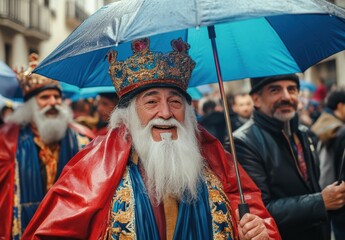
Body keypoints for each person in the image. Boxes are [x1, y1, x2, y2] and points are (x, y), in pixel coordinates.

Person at [22, 38, 280, 239]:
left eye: (175, 101)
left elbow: (254, 218)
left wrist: (255, 231)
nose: (166, 113)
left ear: (188, 113)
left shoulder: (217, 160)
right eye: (152, 102)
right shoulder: (94, 167)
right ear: (129, 115)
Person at [233, 74, 345, 240]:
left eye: (291, 89)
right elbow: (259, 210)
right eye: (275, 90)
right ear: (256, 99)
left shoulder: (304, 133)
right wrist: (320, 201)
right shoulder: (243, 142)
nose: (286, 97)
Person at [0, 53, 95, 239]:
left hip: (70, 227)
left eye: (56, 97)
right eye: (45, 97)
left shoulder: (83, 138)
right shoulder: (6, 141)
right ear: (30, 107)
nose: (53, 103)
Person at [311, 89, 345, 240]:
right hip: (336, 196)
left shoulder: (325, 123)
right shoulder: (337, 129)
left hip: (329, 194)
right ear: (340, 106)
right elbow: (328, 167)